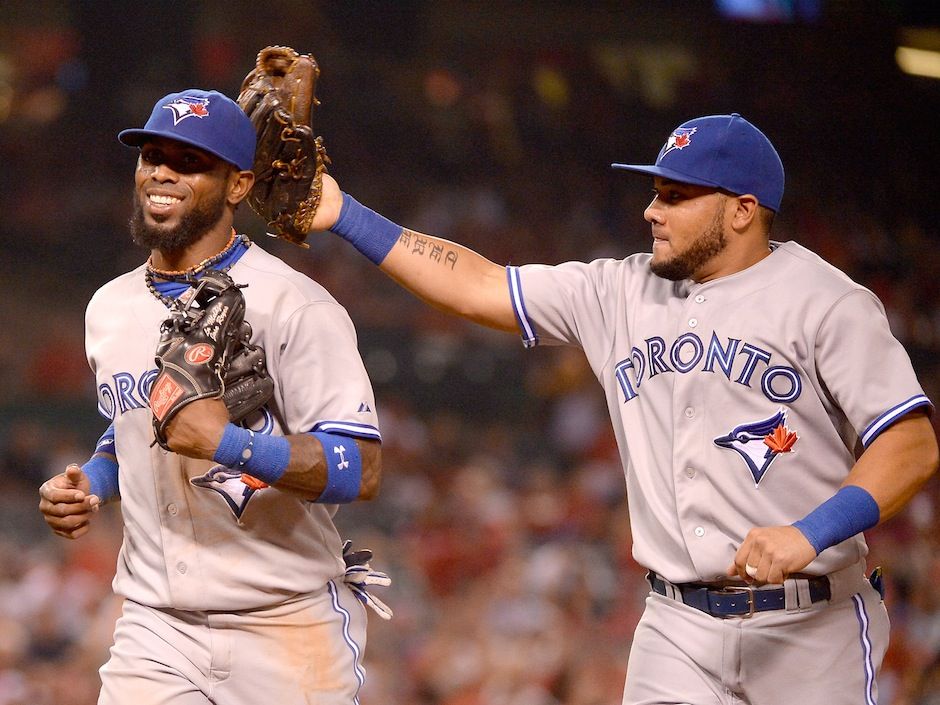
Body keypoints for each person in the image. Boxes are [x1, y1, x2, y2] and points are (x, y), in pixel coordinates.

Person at [305, 113, 939, 704]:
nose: (651, 211)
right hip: (677, 627)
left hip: (812, 624)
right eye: (656, 192)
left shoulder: (826, 301)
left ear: (744, 210)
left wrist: (811, 532)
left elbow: (911, 445)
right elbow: (481, 285)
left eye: (675, 196)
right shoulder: (619, 289)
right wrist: (343, 212)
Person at [37, 89, 387, 705]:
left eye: (191, 160)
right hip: (155, 625)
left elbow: (360, 467)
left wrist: (226, 441)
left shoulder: (293, 303)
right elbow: (129, 430)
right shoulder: (109, 306)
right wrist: (92, 480)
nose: (162, 171)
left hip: (285, 621)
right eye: (151, 154)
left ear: (237, 185)